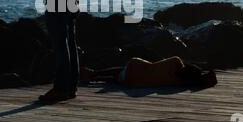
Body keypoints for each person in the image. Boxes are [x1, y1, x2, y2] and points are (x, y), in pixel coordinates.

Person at [80, 56, 218, 89]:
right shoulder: (177, 82)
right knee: (117, 78)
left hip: (136, 67)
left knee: (121, 70)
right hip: (133, 81)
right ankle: (95, 77)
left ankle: (94, 73)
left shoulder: (175, 61)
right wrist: (202, 79)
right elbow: (192, 81)